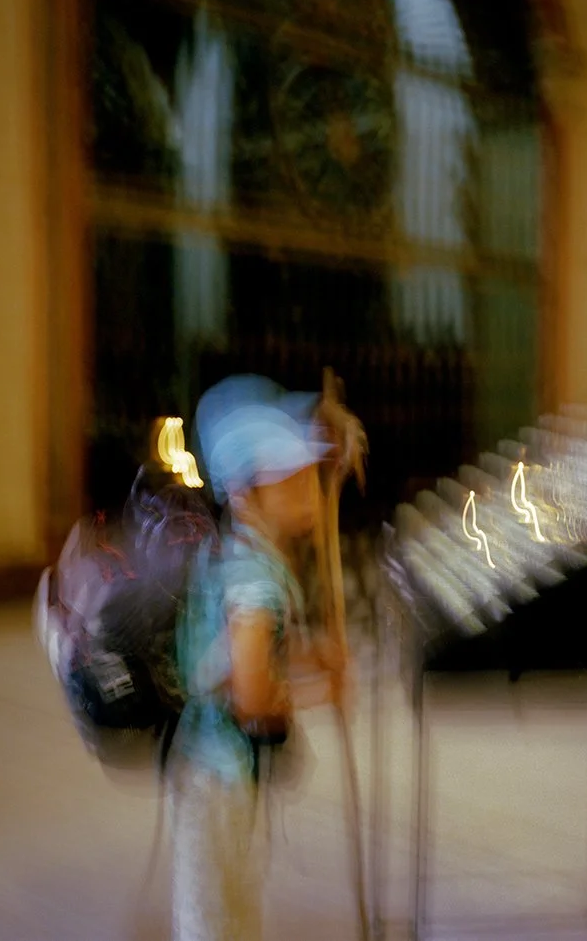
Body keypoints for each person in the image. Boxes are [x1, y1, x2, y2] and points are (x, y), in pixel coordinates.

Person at [169, 375, 348, 941]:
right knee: (215, 916)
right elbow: (251, 694)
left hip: (217, 771)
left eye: (308, 478)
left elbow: (260, 650)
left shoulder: (247, 557)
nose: (309, 493)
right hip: (214, 775)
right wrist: (317, 692)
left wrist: (313, 657)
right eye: (289, 483)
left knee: (229, 902)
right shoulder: (255, 579)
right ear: (246, 495)